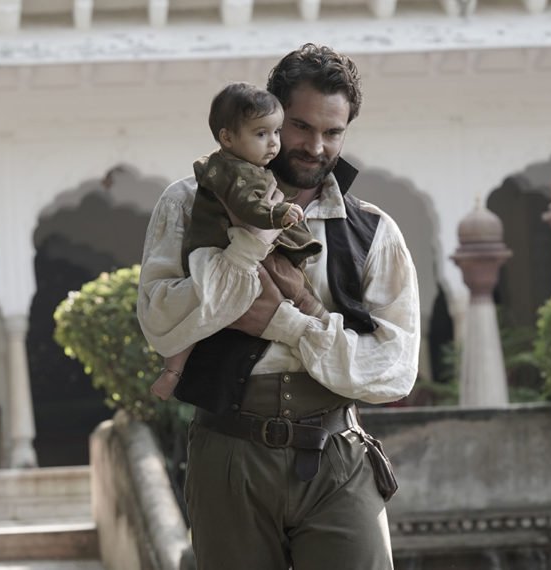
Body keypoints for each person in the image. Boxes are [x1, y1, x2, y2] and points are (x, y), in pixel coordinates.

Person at [137, 43, 421, 570]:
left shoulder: (375, 230)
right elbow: (160, 324)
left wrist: (286, 319)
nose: (316, 146)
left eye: (333, 132)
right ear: (268, 116)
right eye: (300, 126)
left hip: (337, 453)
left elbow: (395, 370)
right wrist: (240, 258)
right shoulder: (187, 202)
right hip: (229, 451)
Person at [150, 82, 328, 401]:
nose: (273, 143)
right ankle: (316, 314)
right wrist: (280, 214)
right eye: (261, 134)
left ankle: (172, 372)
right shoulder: (237, 171)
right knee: (290, 281)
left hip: (217, 251)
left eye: (276, 132)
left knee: (195, 323)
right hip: (227, 247)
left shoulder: (234, 165)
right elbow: (249, 207)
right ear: (228, 137)